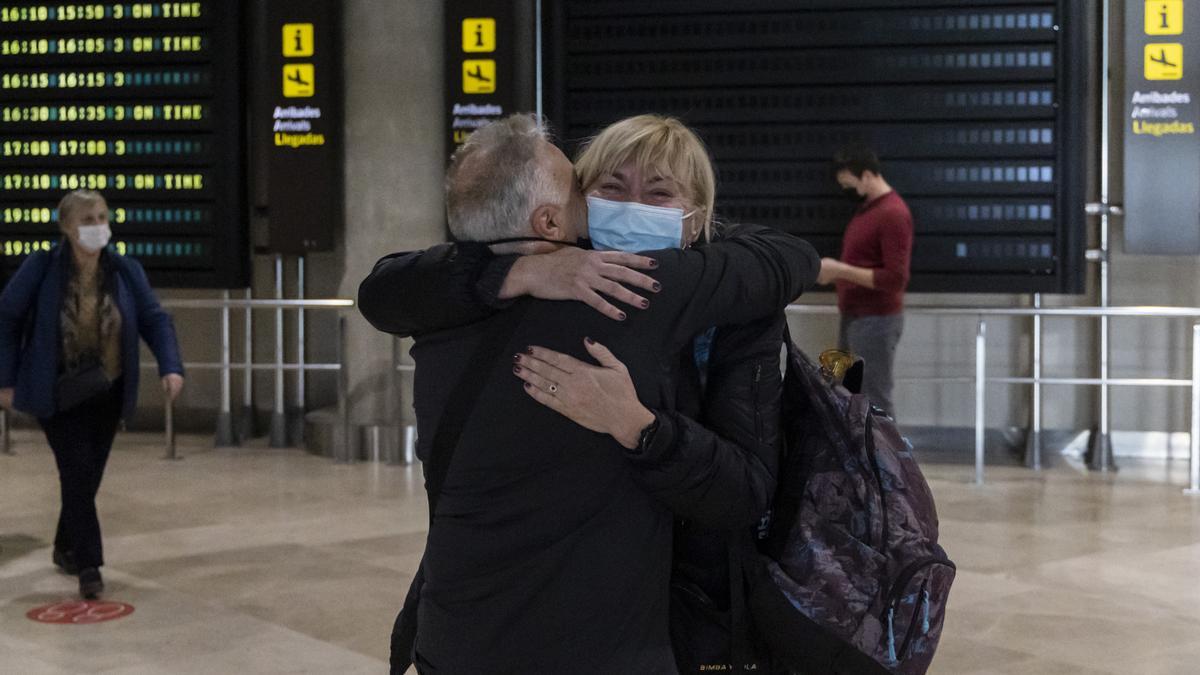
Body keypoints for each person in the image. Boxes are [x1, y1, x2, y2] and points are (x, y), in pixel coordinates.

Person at [359, 113, 818, 673]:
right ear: (562, 213)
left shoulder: (712, 305)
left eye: (658, 192)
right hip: (602, 638)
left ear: (696, 221)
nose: (630, 206)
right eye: (607, 188)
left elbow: (744, 492)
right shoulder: (585, 292)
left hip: (662, 617)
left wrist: (641, 427)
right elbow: (385, 289)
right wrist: (521, 273)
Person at [0, 189, 184, 600]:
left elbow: (155, 319)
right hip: (58, 393)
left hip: (107, 391)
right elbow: (7, 318)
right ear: (66, 227)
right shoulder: (42, 267)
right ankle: (89, 566)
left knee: (86, 477)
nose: (97, 226)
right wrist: (5, 380)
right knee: (77, 472)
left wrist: (171, 366)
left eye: (101, 217)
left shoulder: (124, 270)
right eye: (86, 220)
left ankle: (65, 545)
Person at [817, 143, 914, 417]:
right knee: (849, 393)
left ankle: (888, 459)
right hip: (858, 318)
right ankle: (866, 456)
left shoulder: (892, 213)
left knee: (875, 397)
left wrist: (840, 271)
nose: (849, 192)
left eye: (851, 184)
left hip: (876, 320)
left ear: (867, 175)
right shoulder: (871, 210)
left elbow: (895, 278)